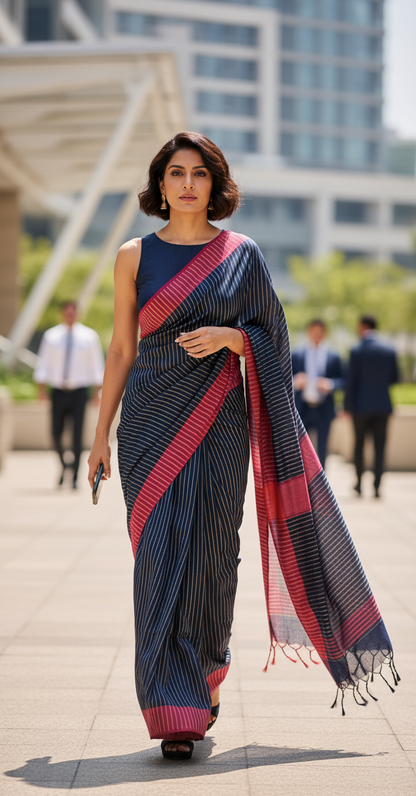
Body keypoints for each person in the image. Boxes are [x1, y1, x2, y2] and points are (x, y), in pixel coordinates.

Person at [87, 132, 395, 761]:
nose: (188, 184)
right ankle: (171, 710)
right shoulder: (132, 255)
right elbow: (121, 349)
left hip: (220, 425)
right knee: (156, 563)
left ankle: (203, 679)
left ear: (215, 183)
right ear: (160, 183)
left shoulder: (242, 255)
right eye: (176, 173)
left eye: (200, 173)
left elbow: (272, 339)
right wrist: (98, 438)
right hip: (149, 424)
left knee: (209, 555)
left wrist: (235, 336)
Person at [35, 301, 104, 488]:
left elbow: (96, 366)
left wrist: (96, 393)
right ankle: (64, 465)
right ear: (62, 314)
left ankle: (74, 475)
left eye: (74, 312)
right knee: (55, 433)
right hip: (58, 391)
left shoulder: (89, 337)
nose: (70, 315)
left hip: (79, 392)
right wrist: (41, 390)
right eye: (67, 312)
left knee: (77, 434)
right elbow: (43, 364)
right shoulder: (51, 336)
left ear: (78, 314)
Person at [345, 314, 399, 498]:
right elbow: (395, 378)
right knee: (380, 447)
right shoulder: (389, 350)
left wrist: (346, 406)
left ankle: (359, 485)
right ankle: (377, 487)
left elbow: (350, 381)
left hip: (360, 407)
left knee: (359, 446)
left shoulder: (357, 350)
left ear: (362, 326)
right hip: (383, 406)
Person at [292, 319, 345, 469]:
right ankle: (303, 484)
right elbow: (283, 378)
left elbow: (343, 380)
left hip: (324, 408)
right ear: (308, 332)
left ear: (325, 333)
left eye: (319, 332)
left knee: (322, 448)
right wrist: (295, 381)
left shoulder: (334, 356)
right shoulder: (297, 354)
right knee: (300, 449)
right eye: (313, 331)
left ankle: (321, 485)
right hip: (302, 408)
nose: (316, 335)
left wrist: (331, 384)